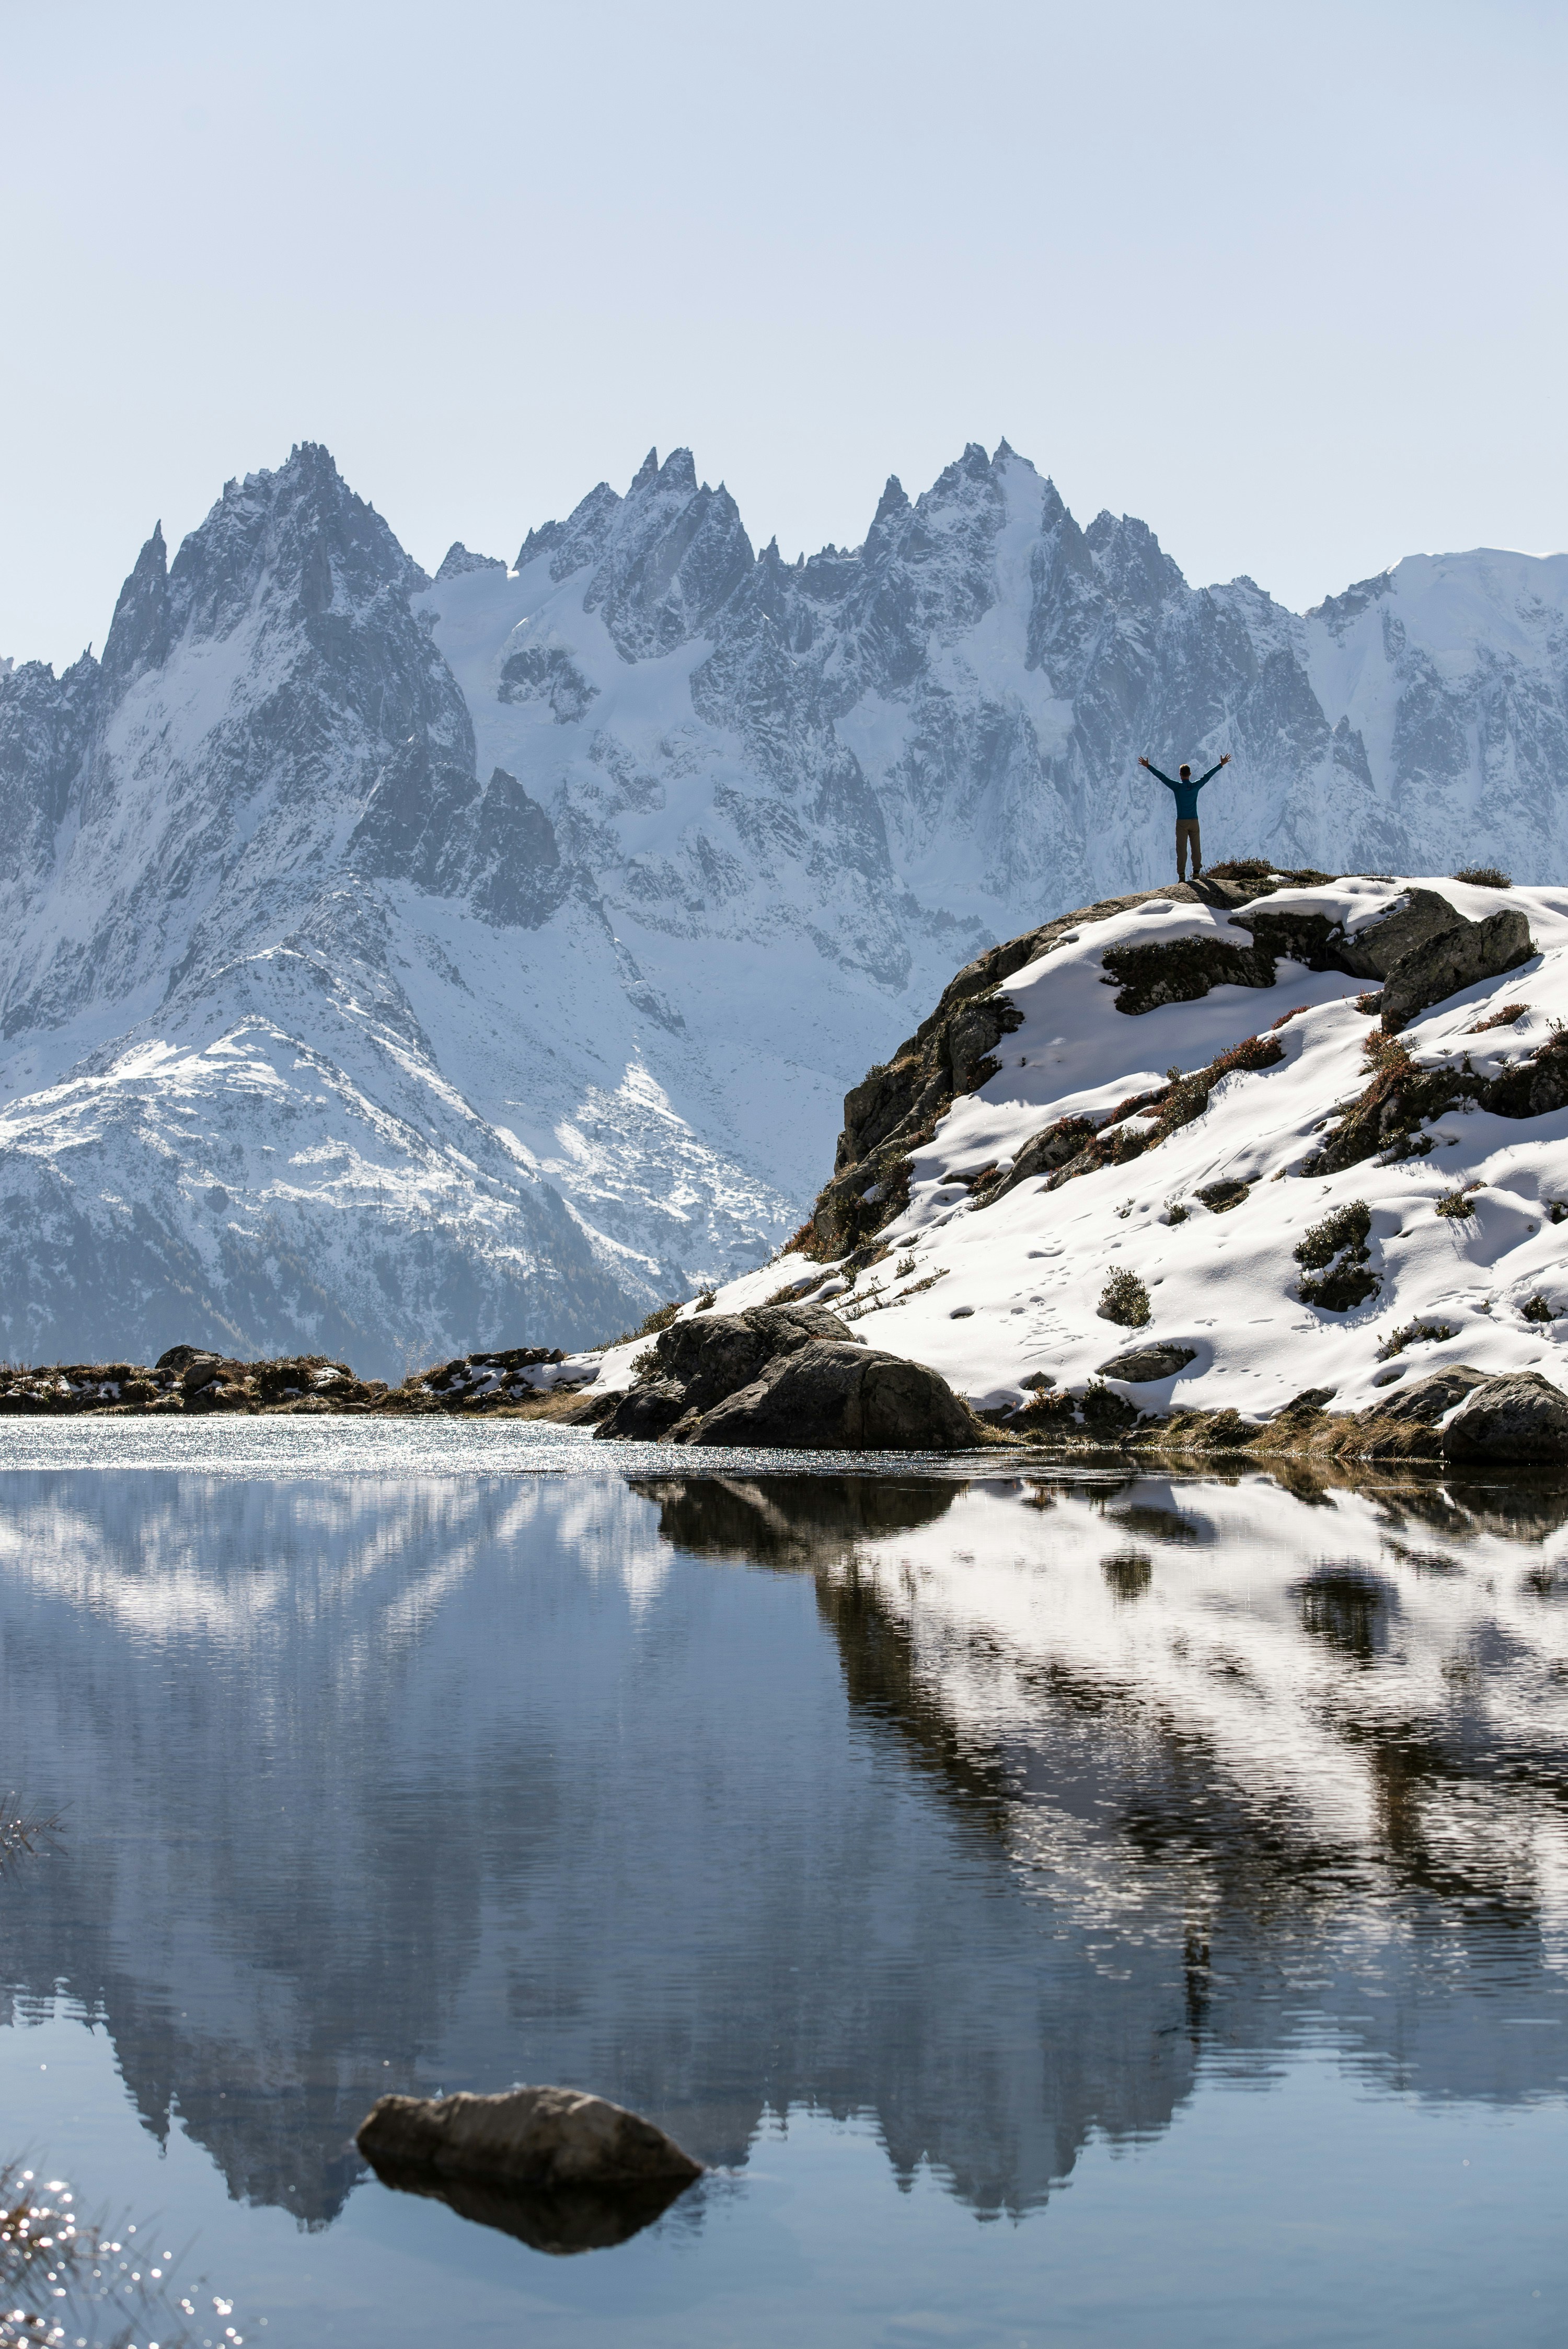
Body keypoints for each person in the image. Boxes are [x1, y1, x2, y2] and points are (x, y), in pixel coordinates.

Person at [1139, 751, 1230, 880]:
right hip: (1194, 821)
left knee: (1182, 849)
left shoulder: (1177, 787)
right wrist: (1221, 764)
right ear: (1190, 774)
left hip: (1181, 822)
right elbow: (1207, 777)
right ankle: (1197, 872)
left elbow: (1162, 777)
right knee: (1196, 847)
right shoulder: (1195, 787)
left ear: (1180, 775)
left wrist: (1148, 766)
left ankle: (1182, 875)